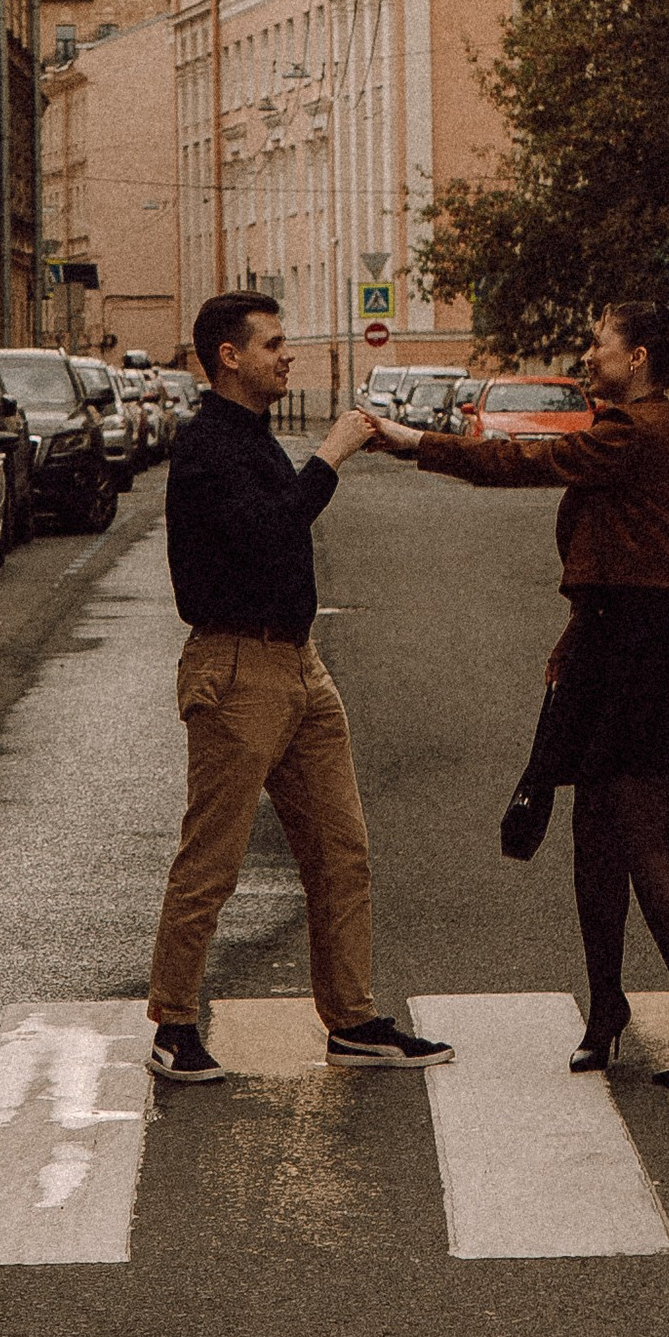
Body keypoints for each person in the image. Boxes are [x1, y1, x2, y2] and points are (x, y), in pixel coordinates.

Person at [369, 296, 669, 1084]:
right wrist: (578, 630)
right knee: (593, 835)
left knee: (645, 838)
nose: (587, 354)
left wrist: (417, 445)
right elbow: (617, 543)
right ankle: (607, 1007)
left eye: (598, 343)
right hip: (618, 632)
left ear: (637, 357)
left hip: (644, 643)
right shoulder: (648, 429)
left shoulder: (636, 430)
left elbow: (527, 462)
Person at [146, 291, 454, 1085]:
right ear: (229, 357)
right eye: (274, 344)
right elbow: (271, 527)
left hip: (299, 665)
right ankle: (174, 1023)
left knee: (341, 849)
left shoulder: (251, 436)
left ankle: (351, 1019)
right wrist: (335, 451)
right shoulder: (209, 445)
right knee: (211, 857)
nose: (289, 355)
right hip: (237, 668)